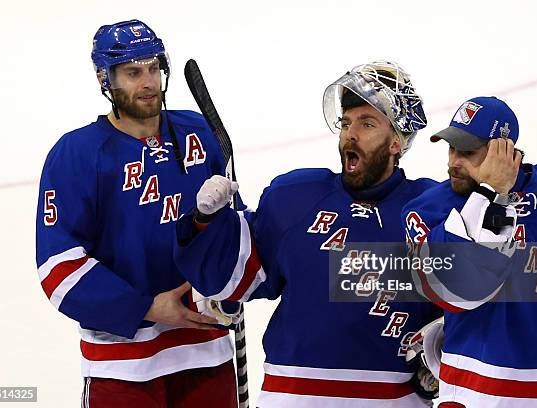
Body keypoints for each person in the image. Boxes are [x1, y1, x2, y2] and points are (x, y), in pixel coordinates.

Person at [174, 61, 442, 407]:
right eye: (346, 123)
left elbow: (474, 308)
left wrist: (442, 344)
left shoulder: (431, 211)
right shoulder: (296, 198)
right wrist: (205, 222)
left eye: (367, 123)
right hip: (293, 397)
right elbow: (229, 282)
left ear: (396, 142)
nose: (351, 134)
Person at [35, 19, 239, 407]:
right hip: (122, 365)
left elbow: (238, 239)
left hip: (206, 350)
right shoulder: (77, 154)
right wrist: (146, 307)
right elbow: (57, 267)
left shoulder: (198, 131)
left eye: (153, 69)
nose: (148, 82)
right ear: (104, 79)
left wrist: (228, 274)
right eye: (132, 72)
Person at [402, 96, 537, 407]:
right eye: (451, 148)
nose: (453, 162)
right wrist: (491, 193)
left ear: (505, 150)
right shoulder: (428, 209)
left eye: (467, 152)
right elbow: (453, 289)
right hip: (477, 396)